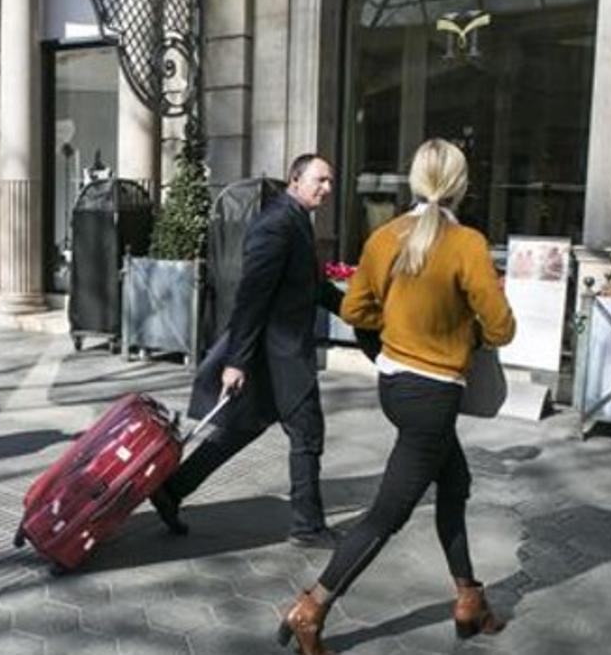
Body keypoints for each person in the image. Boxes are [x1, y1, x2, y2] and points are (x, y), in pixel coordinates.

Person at [277, 139, 516, 655]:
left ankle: (469, 598)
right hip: (434, 397)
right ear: (460, 185)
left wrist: (402, 328)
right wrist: (463, 332)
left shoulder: (386, 236)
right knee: (386, 515)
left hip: (394, 386)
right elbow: (501, 329)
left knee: (455, 484)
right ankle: (311, 608)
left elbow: (357, 311)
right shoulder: (468, 243)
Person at [148, 154, 345, 549]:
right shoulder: (276, 224)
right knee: (307, 433)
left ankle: (171, 491)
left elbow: (314, 286)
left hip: (278, 355)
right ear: (294, 179)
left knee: (241, 428)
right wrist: (235, 362)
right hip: (277, 355)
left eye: (329, 182)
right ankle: (308, 526)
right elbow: (250, 299)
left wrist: (356, 311)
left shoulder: (297, 221)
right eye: (319, 180)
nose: (326, 188)